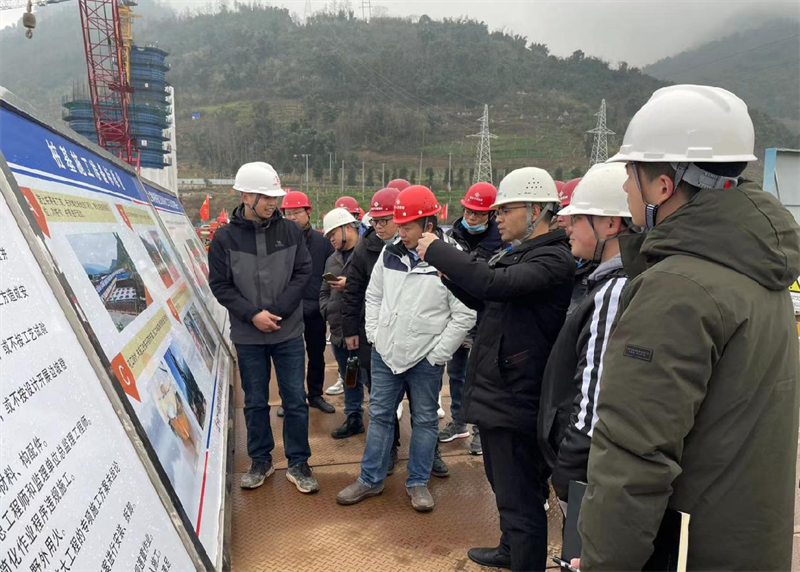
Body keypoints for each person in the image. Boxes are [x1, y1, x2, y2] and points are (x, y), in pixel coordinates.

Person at [572, 85, 800, 572]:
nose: (626, 189)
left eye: (631, 174)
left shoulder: (677, 289)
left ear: (662, 186)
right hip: (747, 543)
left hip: (691, 551)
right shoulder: (759, 267)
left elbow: (634, 458)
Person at [417, 167, 575, 572]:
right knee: (506, 487)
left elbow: (492, 285)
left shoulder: (553, 259)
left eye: (505, 210)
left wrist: (438, 251)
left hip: (516, 394)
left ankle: (523, 558)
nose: (497, 217)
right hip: (502, 391)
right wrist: (452, 275)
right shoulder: (523, 253)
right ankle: (510, 549)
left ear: (536, 210)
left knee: (520, 498)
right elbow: (487, 298)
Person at [336, 186, 476, 512]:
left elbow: (465, 313)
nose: (400, 232)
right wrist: (375, 335)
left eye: (407, 226)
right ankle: (370, 479)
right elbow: (374, 296)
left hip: (426, 358)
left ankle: (417, 483)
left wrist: (438, 355)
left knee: (425, 420)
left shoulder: (451, 258)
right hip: (387, 354)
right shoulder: (390, 253)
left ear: (429, 224)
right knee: (380, 415)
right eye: (399, 225)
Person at [208, 162, 319, 494]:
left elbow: (303, 273)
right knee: (255, 401)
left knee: (295, 399)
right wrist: (253, 315)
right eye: (266, 196)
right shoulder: (224, 239)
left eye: (275, 196)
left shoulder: (291, 232)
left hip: (288, 332)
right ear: (245, 196)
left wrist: (278, 312)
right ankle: (260, 460)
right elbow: (220, 285)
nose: (273, 202)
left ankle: (299, 462)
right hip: (248, 335)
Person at [537, 163, 630, 511]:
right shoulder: (613, 280)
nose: (567, 225)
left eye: (578, 218)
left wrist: (569, 470)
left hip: (584, 466)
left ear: (610, 224)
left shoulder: (614, 290)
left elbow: (596, 394)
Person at [437, 182, 503, 457]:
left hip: (484, 317)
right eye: (468, 211)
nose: (471, 217)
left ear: (491, 214)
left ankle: (479, 431)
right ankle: (459, 421)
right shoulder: (453, 236)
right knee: (456, 373)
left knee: (481, 377)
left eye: (478, 213)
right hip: (457, 314)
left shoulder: (501, 241)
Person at [280, 190, 335, 415]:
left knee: (316, 354)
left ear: (308, 212)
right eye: (288, 213)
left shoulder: (323, 243)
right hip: (288, 309)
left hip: (314, 309)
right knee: (288, 358)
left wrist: (325, 303)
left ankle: (315, 395)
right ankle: (289, 400)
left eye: (297, 212)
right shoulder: (278, 242)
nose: (292, 217)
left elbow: (332, 270)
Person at [319, 208, 367, 439]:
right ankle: (353, 417)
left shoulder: (368, 254)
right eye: (328, 236)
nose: (331, 239)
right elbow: (323, 291)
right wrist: (327, 310)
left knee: (372, 379)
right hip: (339, 330)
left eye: (333, 234)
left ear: (347, 228)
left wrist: (351, 284)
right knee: (349, 377)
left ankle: (385, 426)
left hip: (363, 331)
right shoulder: (332, 259)